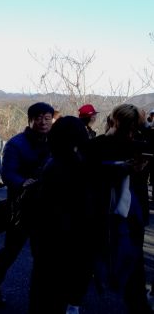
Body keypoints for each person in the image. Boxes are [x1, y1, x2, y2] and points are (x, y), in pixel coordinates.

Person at [0, 102, 54, 306]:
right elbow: (8, 173)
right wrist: (24, 183)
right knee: (11, 250)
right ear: (30, 119)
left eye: (47, 118)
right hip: (21, 207)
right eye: (39, 118)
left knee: (42, 254)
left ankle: (39, 297)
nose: (43, 122)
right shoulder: (17, 143)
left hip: (47, 208)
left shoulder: (55, 142)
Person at [88, 104, 151, 314]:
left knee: (131, 261)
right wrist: (123, 169)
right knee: (120, 258)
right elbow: (90, 176)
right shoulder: (98, 146)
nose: (130, 131)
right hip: (108, 211)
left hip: (127, 212)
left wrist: (138, 170)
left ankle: (136, 303)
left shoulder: (102, 144)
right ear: (115, 121)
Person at [29, 116, 94, 314]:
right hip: (70, 245)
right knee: (57, 297)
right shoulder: (80, 168)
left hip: (46, 243)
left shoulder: (53, 165)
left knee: (41, 295)